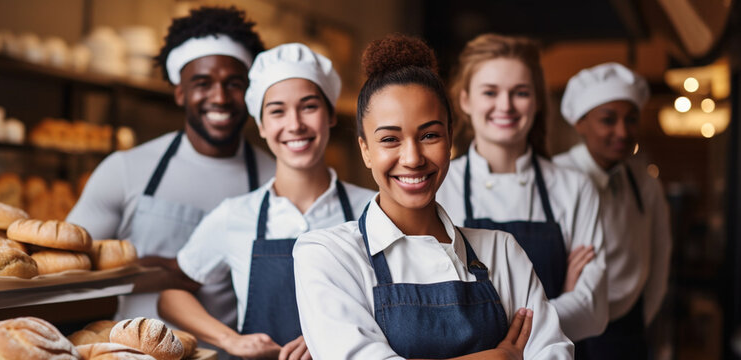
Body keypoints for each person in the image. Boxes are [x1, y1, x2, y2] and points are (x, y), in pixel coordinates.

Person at [293, 34, 572, 359]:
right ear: (365, 150)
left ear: (450, 138)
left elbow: (554, 353)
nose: (412, 158)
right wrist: (496, 357)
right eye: (390, 139)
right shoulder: (329, 255)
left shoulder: (502, 252)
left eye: (429, 135)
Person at [158, 43, 375, 359]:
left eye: (309, 106)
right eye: (276, 111)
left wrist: (332, 333)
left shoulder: (374, 211)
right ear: (260, 125)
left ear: (330, 115)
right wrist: (230, 340)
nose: (294, 124)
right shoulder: (234, 216)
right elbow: (171, 295)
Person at [67, 7, 276, 325]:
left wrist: (166, 267)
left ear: (249, 93)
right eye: (203, 83)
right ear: (180, 92)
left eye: (234, 84)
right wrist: (166, 272)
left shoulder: (275, 179)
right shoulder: (125, 170)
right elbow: (69, 269)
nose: (219, 97)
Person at [435, 33, 607, 342]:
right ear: (465, 100)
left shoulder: (575, 188)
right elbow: (435, 307)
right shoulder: (439, 186)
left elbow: (592, 312)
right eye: (490, 92)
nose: (506, 105)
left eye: (521, 93)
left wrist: (486, 325)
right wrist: (557, 305)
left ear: (537, 101)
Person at [554, 62, 672, 359]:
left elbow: (660, 254)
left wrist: (641, 314)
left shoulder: (643, 182)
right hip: (564, 324)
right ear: (580, 122)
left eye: (631, 120)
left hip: (627, 328)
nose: (622, 131)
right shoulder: (556, 177)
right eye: (608, 120)